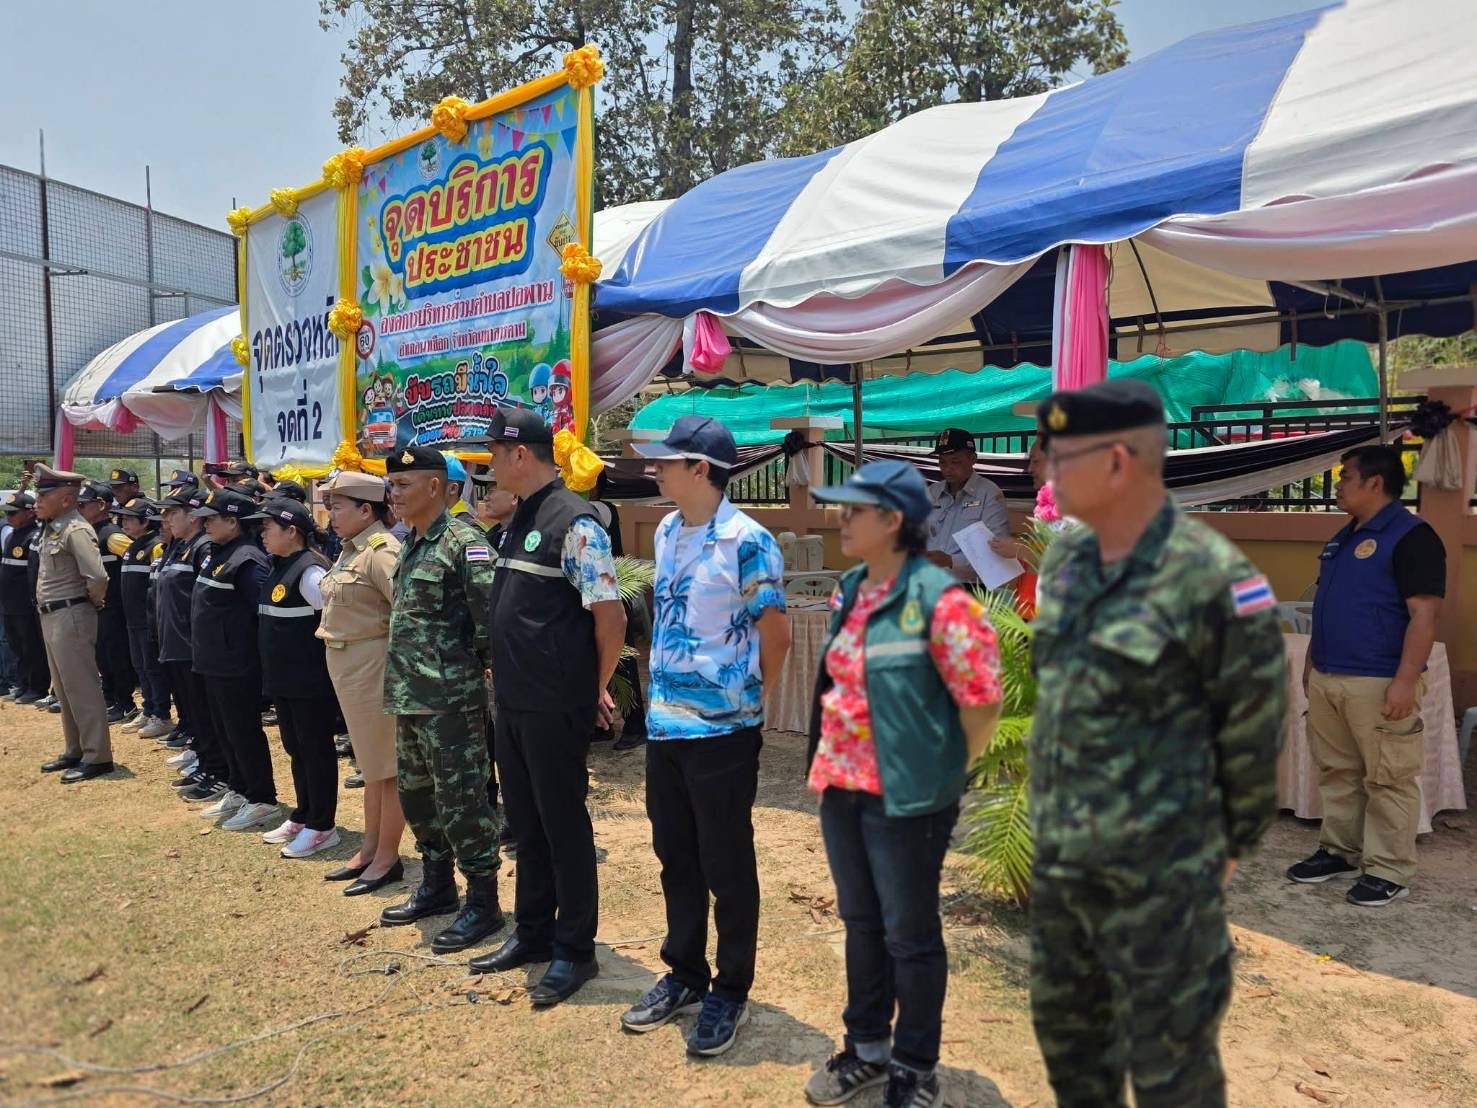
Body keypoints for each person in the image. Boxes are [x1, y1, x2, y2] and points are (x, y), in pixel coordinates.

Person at [1028, 379, 1286, 1108]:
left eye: (1060, 455)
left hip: (1163, 877)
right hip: (1066, 864)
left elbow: (1252, 729)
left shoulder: (1213, 578)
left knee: (1172, 1070)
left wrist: (1215, 858)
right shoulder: (1068, 565)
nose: (1044, 469)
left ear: (1117, 461)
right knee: (1073, 1053)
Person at [801, 460, 1002, 1107]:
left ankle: (915, 1065)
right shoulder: (849, 588)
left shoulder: (941, 602)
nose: (841, 519)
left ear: (892, 521)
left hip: (908, 799)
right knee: (861, 923)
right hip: (843, 787)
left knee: (909, 935)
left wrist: (945, 770)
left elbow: (980, 702)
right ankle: (866, 1050)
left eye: (854, 510)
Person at [619, 416, 790, 1055]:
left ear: (701, 470)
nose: (655, 469)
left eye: (667, 461)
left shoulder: (749, 541)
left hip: (723, 733)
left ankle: (731, 987)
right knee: (676, 856)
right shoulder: (668, 530)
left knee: (727, 863)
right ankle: (686, 973)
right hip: (666, 728)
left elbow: (776, 635)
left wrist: (750, 704)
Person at [469, 407, 626, 1007]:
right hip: (514, 701)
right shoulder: (522, 516)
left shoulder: (574, 522)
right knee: (526, 824)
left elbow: (609, 616)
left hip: (555, 703)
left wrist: (594, 687)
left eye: (493, 452)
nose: (489, 464)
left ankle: (575, 950)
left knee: (562, 827)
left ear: (520, 454)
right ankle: (532, 932)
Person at [1287, 445, 1446, 907]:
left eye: (1345, 477)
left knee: (1388, 778)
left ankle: (1387, 869)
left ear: (1374, 483)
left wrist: (1405, 680)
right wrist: (1312, 661)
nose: (1338, 485)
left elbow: (1424, 615)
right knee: (1338, 771)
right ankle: (1340, 851)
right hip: (1330, 674)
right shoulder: (1343, 537)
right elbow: (1327, 605)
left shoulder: (1412, 537)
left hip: (1379, 679)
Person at [379, 445, 504, 953]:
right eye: (391, 485)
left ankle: (484, 901)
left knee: (462, 802)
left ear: (436, 487)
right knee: (418, 797)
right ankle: (437, 885)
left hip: (451, 700)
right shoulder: (411, 542)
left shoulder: (463, 543)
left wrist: (472, 672)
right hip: (409, 696)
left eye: (403, 485)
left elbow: (490, 621)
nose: (393, 493)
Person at [318, 470, 408, 895]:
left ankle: (387, 857)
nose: (331, 515)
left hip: (374, 668)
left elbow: (405, 611)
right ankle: (370, 849)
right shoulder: (350, 549)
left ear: (365, 510)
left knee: (387, 768)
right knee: (372, 768)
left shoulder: (380, 550)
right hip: (350, 669)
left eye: (338, 507)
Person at [247, 497, 341, 858]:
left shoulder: (310, 572)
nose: (262, 534)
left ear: (292, 531)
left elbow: (334, 621)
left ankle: (322, 825)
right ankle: (303, 814)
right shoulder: (279, 565)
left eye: (268, 527)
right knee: (295, 748)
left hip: (309, 683)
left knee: (315, 751)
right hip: (284, 680)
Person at [190, 487, 280, 832]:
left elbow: (263, 613)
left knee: (243, 731)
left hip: (237, 664)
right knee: (225, 730)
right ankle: (240, 787)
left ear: (233, 521)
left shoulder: (247, 560)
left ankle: (261, 798)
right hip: (213, 660)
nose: (205, 524)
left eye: (212, 518)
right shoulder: (219, 552)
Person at [32, 465, 114, 783]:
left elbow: (97, 577)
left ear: (66, 499)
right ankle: (75, 749)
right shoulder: (55, 527)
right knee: (65, 689)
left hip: (71, 614)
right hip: (53, 615)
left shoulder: (75, 529)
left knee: (82, 687)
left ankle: (97, 756)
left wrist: (92, 603)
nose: (37, 500)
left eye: (44, 494)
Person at [154, 489, 231, 801]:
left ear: (192, 516)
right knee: (193, 712)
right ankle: (205, 761)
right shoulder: (181, 546)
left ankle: (217, 769)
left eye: (173, 513)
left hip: (191, 646)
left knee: (204, 713)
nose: (166, 519)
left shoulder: (202, 548)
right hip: (175, 643)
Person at [588, 470, 647, 751]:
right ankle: (604, 725)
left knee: (623, 663)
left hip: (612, 594)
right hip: (599, 595)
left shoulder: (599, 509)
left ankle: (636, 725)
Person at [78, 481, 138, 723]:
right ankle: (110, 698)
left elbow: (141, 555)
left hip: (113, 607)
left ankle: (125, 703)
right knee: (102, 656)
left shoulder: (112, 535)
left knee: (116, 656)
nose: (79, 509)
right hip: (97, 607)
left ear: (101, 505)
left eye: (83, 504)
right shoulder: (89, 532)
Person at [113, 497, 173, 738]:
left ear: (145, 521)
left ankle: (161, 714)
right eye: (123, 518)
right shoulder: (132, 547)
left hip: (148, 621)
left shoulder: (155, 546)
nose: (124, 523)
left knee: (152, 668)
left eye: (129, 519)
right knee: (140, 666)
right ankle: (148, 709)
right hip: (132, 620)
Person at [922, 428, 1009, 579]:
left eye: (955, 462)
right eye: (942, 462)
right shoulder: (931, 493)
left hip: (968, 585)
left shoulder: (989, 493)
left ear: (973, 459)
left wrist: (950, 561)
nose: (947, 469)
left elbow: (998, 550)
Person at [2, 492, 49, 704]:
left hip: (25, 604)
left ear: (29, 513)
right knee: (17, 646)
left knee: (31, 646)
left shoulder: (34, 537)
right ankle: (23, 683)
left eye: (13, 513)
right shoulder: (12, 535)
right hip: (9, 603)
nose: (8, 517)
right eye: (7, 513)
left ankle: (37, 687)